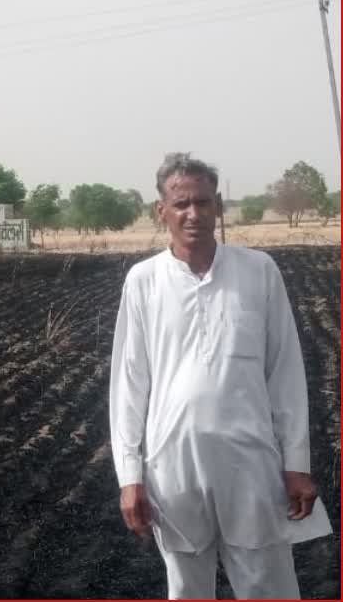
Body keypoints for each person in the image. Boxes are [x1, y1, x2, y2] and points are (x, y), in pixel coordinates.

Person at [109, 153, 332, 599]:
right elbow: (129, 385)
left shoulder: (259, 271)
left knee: (267, 584)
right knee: (187, 587)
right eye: (181, 204)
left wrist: (297, 466)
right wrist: (129, 477)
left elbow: (284, 373)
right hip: (173, 464)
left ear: (219, 206)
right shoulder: (144, 281)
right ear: (162, 211)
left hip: (251, 461)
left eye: (204, 202)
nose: (194, 214)